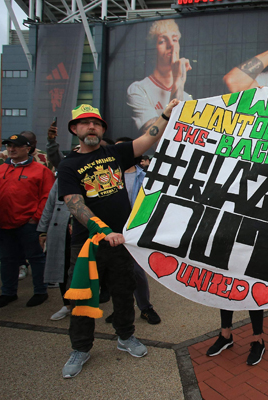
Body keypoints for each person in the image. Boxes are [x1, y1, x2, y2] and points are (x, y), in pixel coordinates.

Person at [58, 101, 178, 378]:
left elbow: (148, 137)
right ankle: (81, 348)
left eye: (97, 123)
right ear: (75, 129)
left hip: (121, 241)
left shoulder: (115, 153)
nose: (92, 127)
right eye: (86, 123)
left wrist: (165, 115)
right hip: (88, 245)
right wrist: (102, 230)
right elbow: (75, 205)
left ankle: (126, 337)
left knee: (124, 292)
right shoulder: (69, 165)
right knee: (83, 298)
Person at [0, 134, 54, 308]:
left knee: (36, 258)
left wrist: (36, 219)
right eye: (9, 146)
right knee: (7, 259)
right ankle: (8, 292)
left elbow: (47, 197)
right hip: (3, 223)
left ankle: (40, 291)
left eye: (16, 146)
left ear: (27, 149)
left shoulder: (41, 170)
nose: (11, 149)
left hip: (27, 223)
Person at [112, 136, 161, 325]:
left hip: (135, 233)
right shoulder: (106, 178)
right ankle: (120, 309)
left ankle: (145, 307)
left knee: (137, 273)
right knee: (115, 274)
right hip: (111, 232)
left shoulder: (148, 178)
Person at [127, 19, 193, 136]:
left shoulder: (187, 98)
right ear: (153, 51)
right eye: (162, 41)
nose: (171, 45)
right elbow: (157, 141)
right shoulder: (138, 89)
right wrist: (177, 80)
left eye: (174, 39)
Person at [37, 179, 73, 321]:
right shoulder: (63, 177)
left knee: (84, 269)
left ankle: (82, 304)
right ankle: (67, 304)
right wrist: (43, 230)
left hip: (85, 228)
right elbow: (50, 204)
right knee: (62, 267)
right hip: (61, 229)